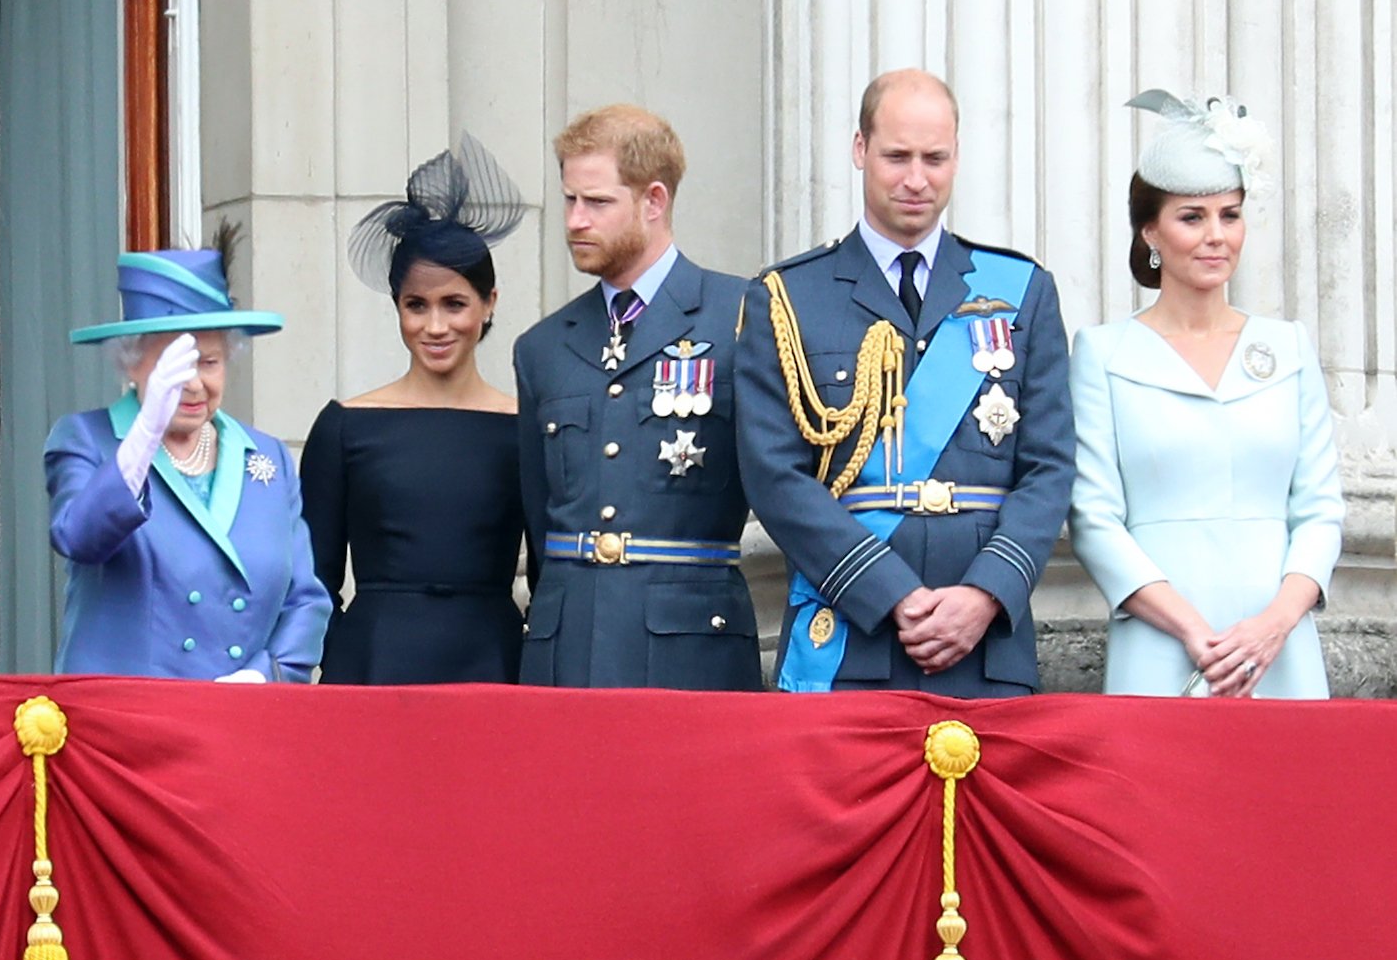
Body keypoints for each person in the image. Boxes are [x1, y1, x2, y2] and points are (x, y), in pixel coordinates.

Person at [736, 69, 1075, 697]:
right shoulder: (789, 297)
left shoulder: (1019, 291)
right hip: (849, 635)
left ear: (956, 156)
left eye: (934, 158)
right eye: (897, 156)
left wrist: (984, 593)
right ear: (860, 149)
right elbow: (773, 475)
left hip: (985, 642)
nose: (916, 179)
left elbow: (1049, 468)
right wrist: (887, 591)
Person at [1069, 90, 1344, 698]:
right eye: (1192, 216)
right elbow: (1093, 519)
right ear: (1151, 232)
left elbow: (1321, 510)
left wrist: (1272, 627)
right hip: (1160, 641)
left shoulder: (1290, 347)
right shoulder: (1102, 353)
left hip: (1281, 648)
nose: (1215, 235)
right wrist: (1195, 633)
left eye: (1230, 214)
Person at [513, 105, 761, 689]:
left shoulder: (743, 316)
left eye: (597, 202)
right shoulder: (542, 347)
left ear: (654, 201)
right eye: (570, 199)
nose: (575, 219)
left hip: (691, 648)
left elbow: (782, 485)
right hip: (567, 646)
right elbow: (539, 515)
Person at [46, 235, 331, 681]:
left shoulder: (268, 457)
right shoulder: (88, 439)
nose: (194, 383)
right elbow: (79, 536)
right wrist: (146, 431)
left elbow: (306, 600)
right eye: (174, 367)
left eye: (209, 362)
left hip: (235, 720)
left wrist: (264, 676)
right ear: (130, 364)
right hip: (125, 721)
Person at [300, 134, 528, 684]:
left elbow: (551, 582)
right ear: (397, 307)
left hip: (496, 669)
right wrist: (338, 660)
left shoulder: (527, 429)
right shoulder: (345, 426)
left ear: (488, 303)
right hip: (372, 669)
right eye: (416, 306)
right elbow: (313, 580)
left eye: (455, 304)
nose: (435, 326)